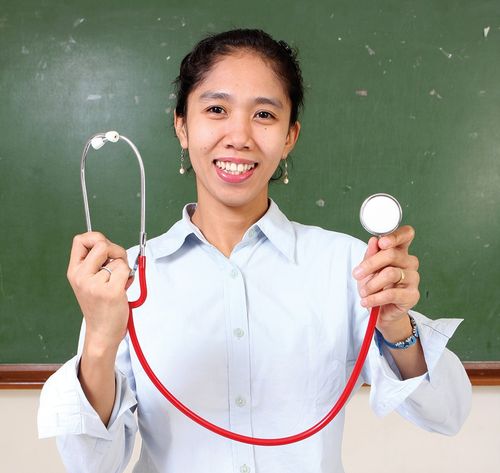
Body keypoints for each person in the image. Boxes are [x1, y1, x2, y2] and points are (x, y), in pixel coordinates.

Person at [38, 29, 471, 473]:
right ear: (181, 126)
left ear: (289, 137)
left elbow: (446, 415)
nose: (239, 136)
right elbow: (90, 465)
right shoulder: (122, 280)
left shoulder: (348, 267)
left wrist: (398, 327)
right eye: (216, 109)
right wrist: (100, 338)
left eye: (264, 114)